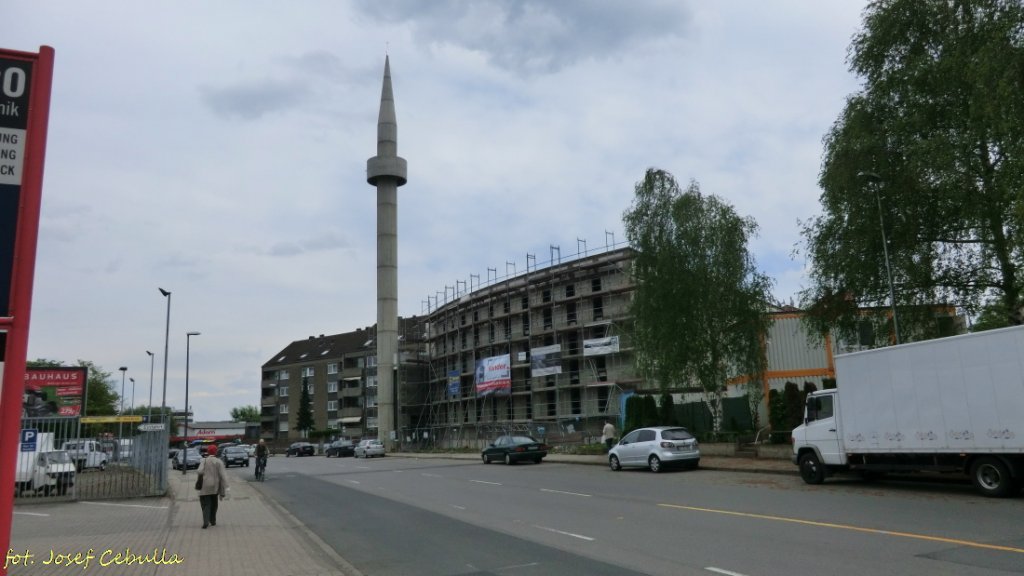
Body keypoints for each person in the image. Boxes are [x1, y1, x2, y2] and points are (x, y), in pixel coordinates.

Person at [197, 444, 228, 529]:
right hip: (215, 486)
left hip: (205, 486)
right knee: (214, 504)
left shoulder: (204, 460)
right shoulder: (219, 461)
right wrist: (226, 487)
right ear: (216, 451)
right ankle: (213, 520)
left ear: (208, 451)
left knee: (206, 504)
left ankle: (205, 522)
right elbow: (223, 476)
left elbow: (199, 471)